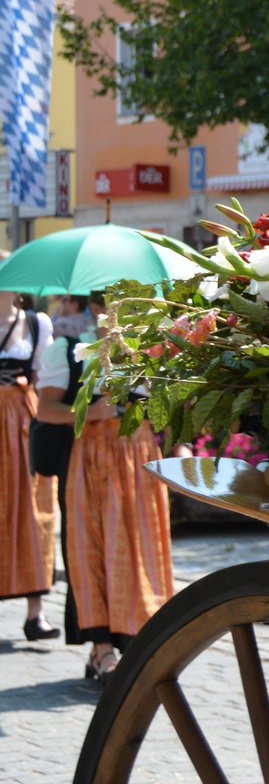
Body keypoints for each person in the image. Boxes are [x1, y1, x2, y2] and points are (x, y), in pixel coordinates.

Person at [35, 296, 175, 682]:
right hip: (91, 458)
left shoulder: (150, 350)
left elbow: (169, 407)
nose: (125, 312)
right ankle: (102, 649)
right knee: (93, 546)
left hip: (139, 455)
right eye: (114, 303)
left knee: (142, 545)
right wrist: (92, 411)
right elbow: (43, 409)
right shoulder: (69, 349)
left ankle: (143, 640)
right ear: (98, 309)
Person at [1, 283, 60, 642]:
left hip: (24, 420)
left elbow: (45, 378)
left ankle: (35, 613)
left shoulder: (38, 324)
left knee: (34, 509)